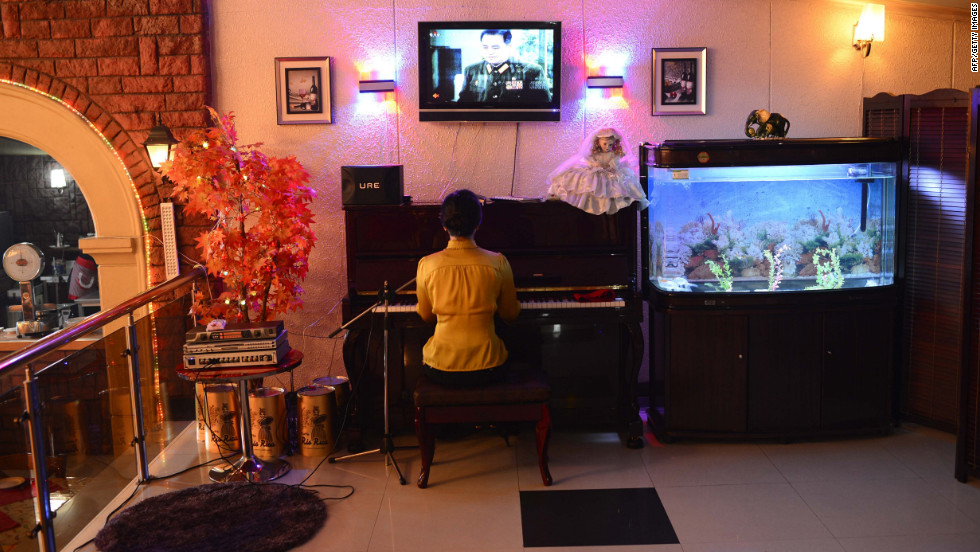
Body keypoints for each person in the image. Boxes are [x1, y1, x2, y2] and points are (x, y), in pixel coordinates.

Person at [415, 189, 521, 387]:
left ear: (444, 226)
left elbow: (426, 316)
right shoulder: (498, 262)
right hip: (489, 365)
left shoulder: (426, 264)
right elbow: (510, 314)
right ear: (478, 224)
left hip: (440, 367)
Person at [546, 127, 650, 215]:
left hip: (608, 172)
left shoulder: (613, 154)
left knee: (616, 185)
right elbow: (589, 160)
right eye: (605, 144)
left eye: (610, 145)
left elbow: (615, 164)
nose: (607, 147)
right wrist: (595, 165)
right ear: (598, 143)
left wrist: (611, 167)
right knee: (585, 182)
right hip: (596, 170)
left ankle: (611, 212)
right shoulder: (595, 153)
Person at [457, 29, 551, 103]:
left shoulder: (532, 71)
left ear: (509, 46)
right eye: (485, 47)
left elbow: (543, 107)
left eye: (495, 47)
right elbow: (463, 105)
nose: (489, 52)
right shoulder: (471, 70)